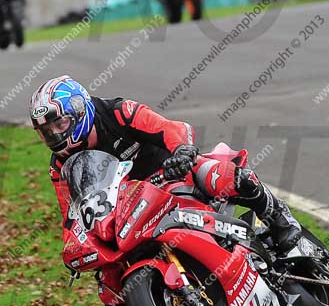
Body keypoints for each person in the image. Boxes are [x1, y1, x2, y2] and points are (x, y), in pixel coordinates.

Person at [29, 76, 302, 257]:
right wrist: (74, 246)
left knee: (222, 176)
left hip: (172, 175)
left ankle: (278, 217)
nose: (55, 135)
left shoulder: (117, 112)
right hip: (129, 212)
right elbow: (72, 216)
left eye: (59, 124)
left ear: (79, 111)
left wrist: (181, 151)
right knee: (111, 290)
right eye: (47, 131)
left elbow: (168, 128)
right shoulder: (60, 166)